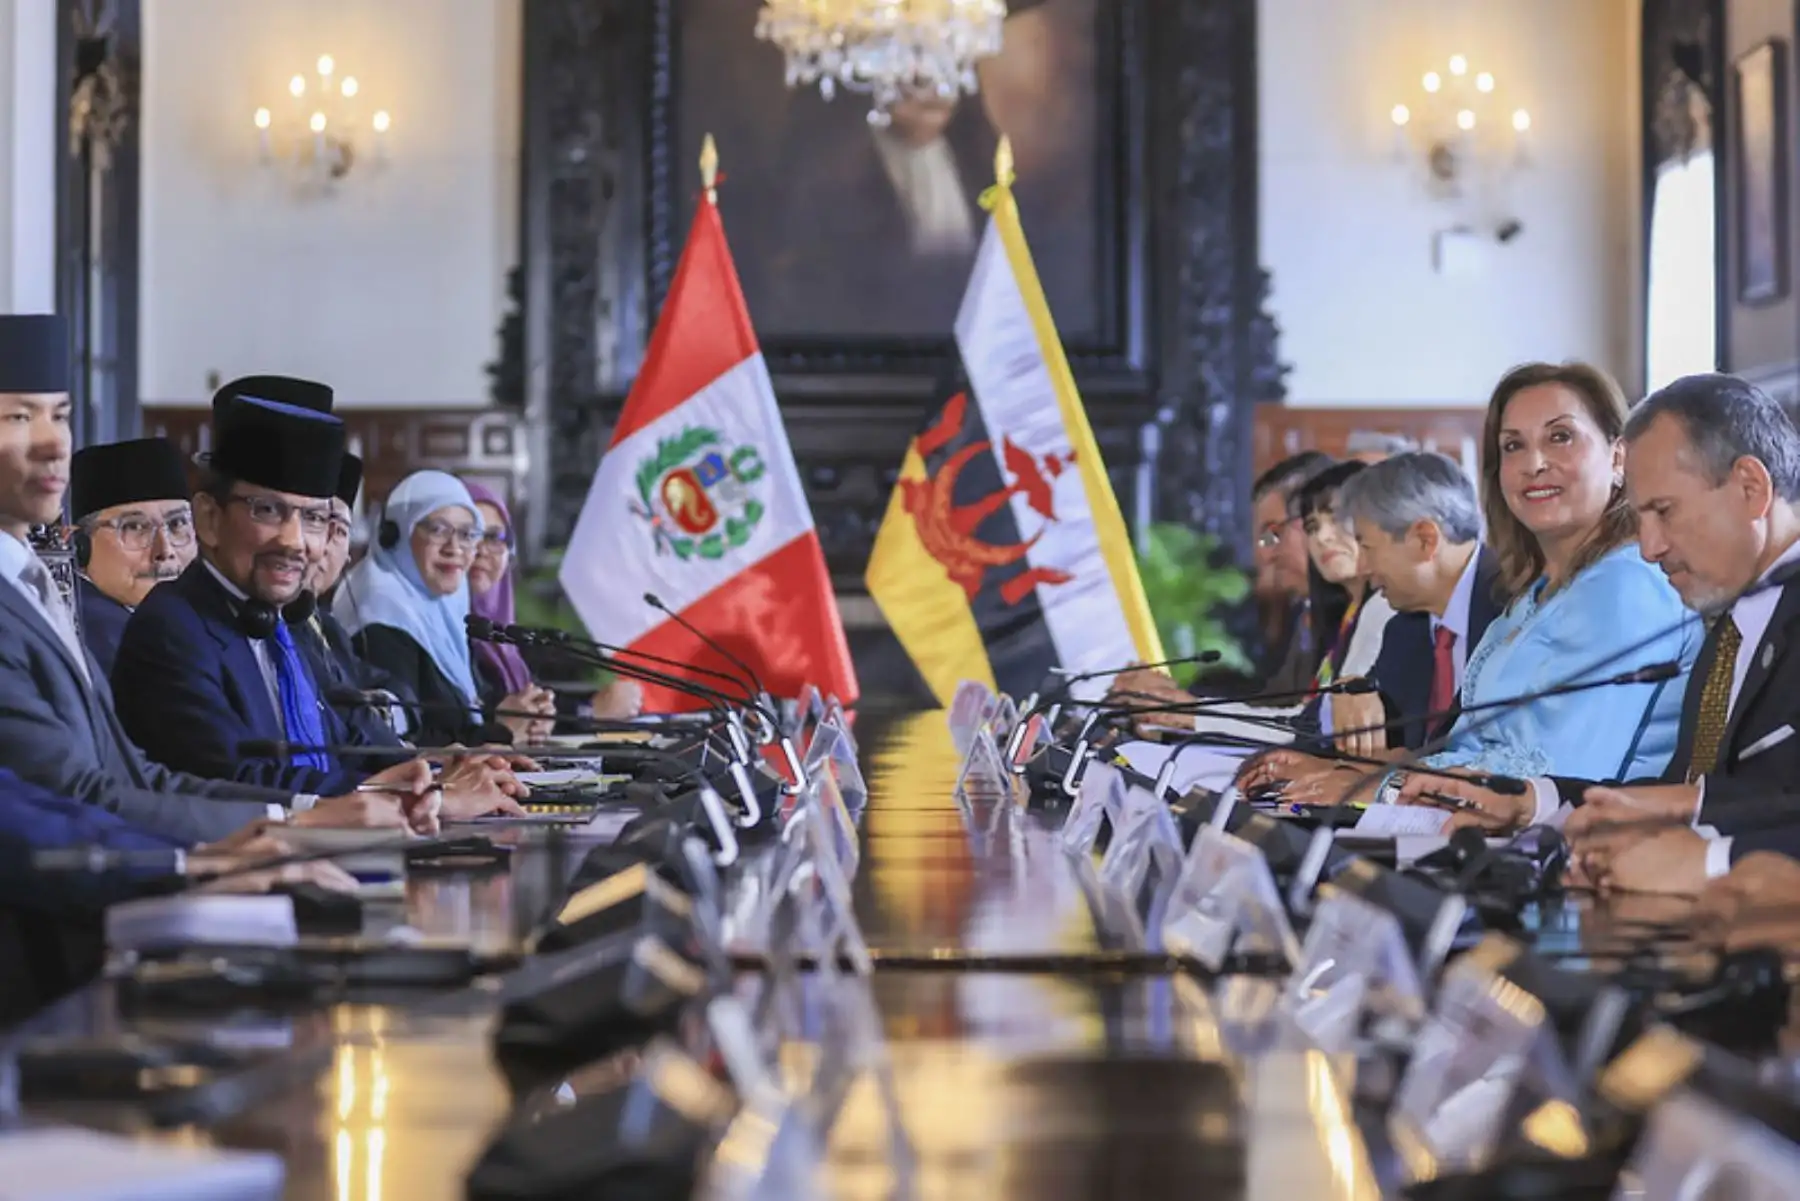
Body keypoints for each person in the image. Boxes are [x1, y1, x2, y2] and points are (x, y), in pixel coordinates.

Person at [0, 315, 430, 846]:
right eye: (19, 418)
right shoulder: (168, 625)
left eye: (60, 416)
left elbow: (141, 779)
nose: (51, 444)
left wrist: (421, 788)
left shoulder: (31, 584)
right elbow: (75, 797)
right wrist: (302, 823)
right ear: (209, 519)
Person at [1249, 364, 1699, 803]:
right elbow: (1469, 751)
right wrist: (1347, 771)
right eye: (1512, 446)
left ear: (1618, 456)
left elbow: (1559, 773)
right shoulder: (1536, 593)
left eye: (1560, 437)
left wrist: (1373, 785)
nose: (1534, 463)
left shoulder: (1625, 584)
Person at [1425, 375, 1800, 892]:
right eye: (1642, 517)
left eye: (1664, 512)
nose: (1648, 546)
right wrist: (1537, 803)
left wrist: (1714, 861)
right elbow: (1703, 792)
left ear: (1750, 488)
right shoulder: (1734, 621)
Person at [110, 396, 526, 817]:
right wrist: (420, 799)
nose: (295, 542)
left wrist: (438, 770)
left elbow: (352, 740)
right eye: (269, 510)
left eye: (313, 519)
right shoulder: (171, 629)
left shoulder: (288, 621)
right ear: (209, 519)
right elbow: (234, 778)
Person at [337, 470, 556, 746]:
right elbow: (400, 739)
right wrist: (500, 732)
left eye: (467, 534)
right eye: (438, 530)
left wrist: (524, 713)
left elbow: (470, 701)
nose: (455, 548)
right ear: (397, 534)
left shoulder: (443, 604)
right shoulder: (381, 618)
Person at [463, 478, 643, 722]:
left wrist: (556, 713)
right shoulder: (436, 638)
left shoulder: (505, 637)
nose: (482, 549)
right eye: (468, 535)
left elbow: (526, 707)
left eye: (494, 537)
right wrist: (590, 711)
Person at [1290, 460, 1397, 754]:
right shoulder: (1346, 615)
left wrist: (1196, 719)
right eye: (1312, 527)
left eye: (1336, 518)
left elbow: (1319, 726)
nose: (1322, 537)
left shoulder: (1385, 607)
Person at [67, 437, 197, 676]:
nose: (165, 551)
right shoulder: (95, 638)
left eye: (177, 523)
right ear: (80, 546)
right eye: (135, 527)